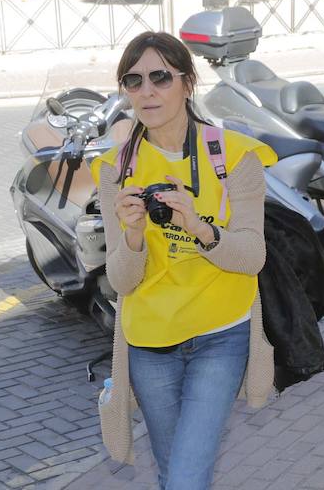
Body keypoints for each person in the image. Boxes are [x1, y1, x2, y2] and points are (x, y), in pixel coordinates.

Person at [93, 31, 277, 489]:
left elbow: (253, 257)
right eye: (133, 81)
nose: (147, 91)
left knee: (186, 478)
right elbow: (121, 280)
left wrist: (200, 229)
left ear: (188, 83)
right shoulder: (116, 169)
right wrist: (133, 234)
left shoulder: (236, 156)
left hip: (220, 335)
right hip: (149, 342)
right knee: (174, 470)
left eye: (160, 76)